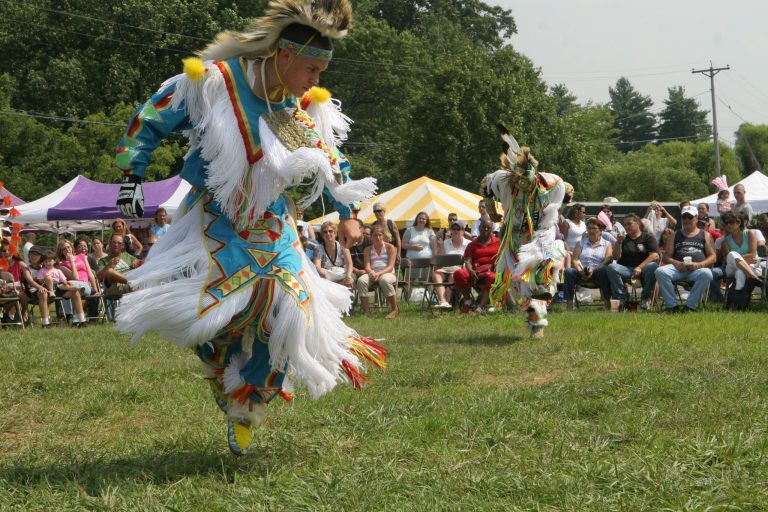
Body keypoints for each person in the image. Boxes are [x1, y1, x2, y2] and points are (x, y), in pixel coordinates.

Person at [111, 0, 384, 456]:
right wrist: (130, 176)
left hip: (272, 220)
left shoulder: (288, 110)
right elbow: (154, 115)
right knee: (219, 310)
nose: (316, 81)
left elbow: (327, 162)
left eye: (320, 72)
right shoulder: (217, 82)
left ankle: (248, 399)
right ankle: (222, 373)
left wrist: (349, 212)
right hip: (214, 218)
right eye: (312, 69)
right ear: (284, 56)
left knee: (291, 309)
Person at [481, 127, 570, 338]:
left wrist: (557, 209)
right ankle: (535, 321)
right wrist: (491, 211)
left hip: (542, 234)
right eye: (518, 183)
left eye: (527, 184)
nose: (523, 186)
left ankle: (538, 313)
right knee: (521, 282)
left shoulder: (552, 182)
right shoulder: (501, 179)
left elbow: (566, 192)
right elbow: (485, 185)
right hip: (514, 237)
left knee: (543, 272)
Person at [655, 205, 716, 313]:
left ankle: (690, 307)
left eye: (690, 217)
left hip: (697, 269)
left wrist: (699, 265)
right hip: (678, 269)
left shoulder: (705, 235)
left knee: (707, 274)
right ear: (681, 218)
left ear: (696, 218)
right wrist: (678, 264)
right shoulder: (674, 235)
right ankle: (672, 306)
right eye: (684, 217)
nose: (687, 219)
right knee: (660, 271)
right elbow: (666, 256)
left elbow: (713, 257)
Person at [605, 213, 659, 310]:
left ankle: (645, 299)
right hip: (627, 269)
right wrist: (618, 242)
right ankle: (624, 299)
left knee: (652, 266)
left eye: (629, 224)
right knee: (611, 267)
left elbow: (655, 255)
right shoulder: (623, 239)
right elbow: (616, 257)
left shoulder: (648, 237)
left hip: (644, 269)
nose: (626, 226)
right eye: (625, 225)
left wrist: (640, 267)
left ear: (638, 223)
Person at [563, 217, 612, 311]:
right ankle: (569, 305)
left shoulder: (607, 244)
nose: (591, 231)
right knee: (569, 271)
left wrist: (593, 270)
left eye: (594, 228)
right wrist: (581, 271)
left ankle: (607, 303)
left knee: (604, 270)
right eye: (589, 228)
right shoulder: (581, 243)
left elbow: (607, 260)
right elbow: (575, 260)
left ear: (600, 231)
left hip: (598, 272)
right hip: (582, 271)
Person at [454, 218, 500, 316]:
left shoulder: (498, 242)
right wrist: (470, 270)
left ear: (492, 230)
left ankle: (479, 308)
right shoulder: (472, 244)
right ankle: (468, 300)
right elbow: (467, 260)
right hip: (475, 272)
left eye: (489, 228)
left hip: (492, 272)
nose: (486, 229)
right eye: (484, 227)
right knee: (459, 273)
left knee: (492, 277)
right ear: (479, 228)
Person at [720, 212, 762, 308]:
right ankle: (751, 275)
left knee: (740, 272)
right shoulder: (726, 240)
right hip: (732, 268)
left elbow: (752, 255)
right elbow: (728, 260)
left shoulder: (749, 233)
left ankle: (739, 303)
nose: (728, 225)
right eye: (726, 223)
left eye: (731, 222)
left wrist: (738, 259)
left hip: (752, 266)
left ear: (739, 223)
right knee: (731, 254)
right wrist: (740, 259)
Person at [35, 250, 88, 327]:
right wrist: (46, 278)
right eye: (45, 261)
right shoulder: (42, 271)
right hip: (47, 289)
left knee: (74, 292)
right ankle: (45, 323)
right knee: (49, 279)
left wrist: (66, 282)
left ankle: (82, 320)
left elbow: (63, 280)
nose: (48, 263)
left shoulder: (58, 271)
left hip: (58, 288)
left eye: (50, 261)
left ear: (55, 261)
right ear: (43, 262)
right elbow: (39, 280)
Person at [357, 225, 398, 318]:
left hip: (387, 273)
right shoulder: (367, 249)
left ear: (383, 236)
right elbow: (367, 266)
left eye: (380, 235)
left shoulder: (390, 247)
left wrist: (379, 274)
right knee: (361, 281)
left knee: (384, 280)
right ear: (371, 237)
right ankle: (366, 311)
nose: (378, 237)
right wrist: (371, 272)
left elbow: (391, 266)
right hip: (373, 273)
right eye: (375, 235)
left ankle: (395, 309)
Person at [433, 221, 469, 309]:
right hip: (445, 268)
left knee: (452, 277)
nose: (456, 231)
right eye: (453, 229)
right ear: (451, 230)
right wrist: (440, 244)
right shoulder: (446, 242)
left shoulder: (468, 243)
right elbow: (439, 259)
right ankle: (443, 301)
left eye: (458, 229)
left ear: (463, 231)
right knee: (436, 275)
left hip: (459, 269)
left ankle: (447, 302)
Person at [314, 221, 354, 288]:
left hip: (342, 275)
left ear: (335, 233)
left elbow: (349, 264)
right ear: (322, 235)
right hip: (327, 276)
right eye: (325, 232)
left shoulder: (343, 246)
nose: (328, 233)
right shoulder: (318, 248)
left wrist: (348, 275)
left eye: (330, 231)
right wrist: (324, 276)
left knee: (349, 281)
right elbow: (317, 266)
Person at [402, 211, 437, 281]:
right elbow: (403, 245)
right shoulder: (409, 230)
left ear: (426, 221)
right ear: (417, 219)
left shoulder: (430, 232)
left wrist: (434, 260)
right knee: (409, 282)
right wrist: (413, 246)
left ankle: (427, 292)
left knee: (426, 282)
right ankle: (409, 292)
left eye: (424, 219)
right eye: (420, 218)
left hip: (426, 262)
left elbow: (434, 247)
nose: (421, 220)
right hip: (412, 262)